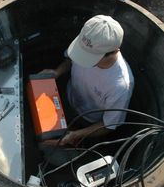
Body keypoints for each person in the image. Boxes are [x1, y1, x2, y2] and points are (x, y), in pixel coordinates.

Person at [41, 15, 134, 147]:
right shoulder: (86, 44)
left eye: (89, 57)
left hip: (87, 121)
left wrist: (76, 134)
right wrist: (58, 72)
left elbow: (109, 124)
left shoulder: (120, 86)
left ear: (114, 52)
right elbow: (71, 60)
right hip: (67, 97)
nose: (82, 59)